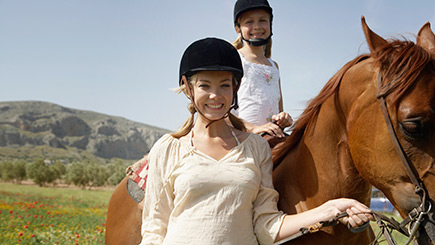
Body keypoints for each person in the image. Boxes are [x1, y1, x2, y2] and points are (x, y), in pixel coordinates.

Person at [140, 37, 373, 245]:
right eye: (204, 85)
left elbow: (267, 227)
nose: (215, 95)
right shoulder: (168, 147)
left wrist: (330, 209)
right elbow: (154, 231)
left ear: (236, 88)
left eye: (224, 85)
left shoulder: (256, 148)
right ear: (188, 87)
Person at [231, 0, 292, 138]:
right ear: (238, 28)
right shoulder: (235, 59)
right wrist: (253, 128)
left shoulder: (274, 66)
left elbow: (279, 108)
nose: (257, 26)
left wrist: (283, 118)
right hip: (242, 137)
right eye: (249, 22)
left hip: (271, 136)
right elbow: (224, 112)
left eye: (262, 20)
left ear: (270, 24)